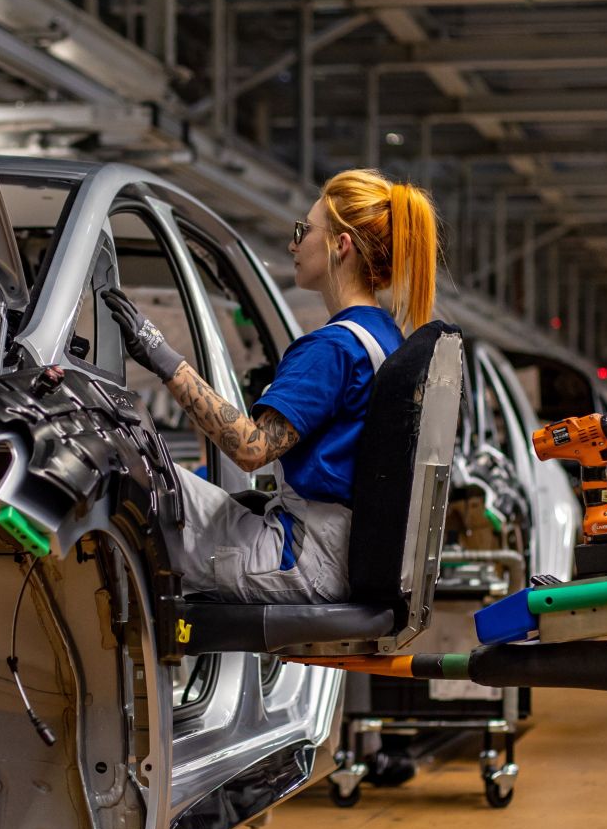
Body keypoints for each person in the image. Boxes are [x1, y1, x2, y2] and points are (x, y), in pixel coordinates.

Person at [102, 169, 440, 603]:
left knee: (121, 467)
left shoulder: (333, 348)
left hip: (297, 558)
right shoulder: (382, 338)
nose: (293, 244)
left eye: (304, 230)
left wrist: (161, 356)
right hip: (337, 554)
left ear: (341, 245)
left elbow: (251, 449)